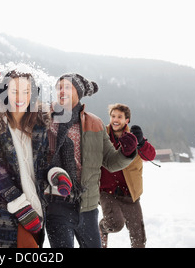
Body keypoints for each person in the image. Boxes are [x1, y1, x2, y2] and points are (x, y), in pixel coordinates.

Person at [0, 69, 68, 248]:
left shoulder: (40, 123)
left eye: (26, 91)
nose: (20, 97)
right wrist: (20, 206)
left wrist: (55, 174)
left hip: (34, 205)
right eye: (14, 91)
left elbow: (42, 163)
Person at [45, 73, 138, 248]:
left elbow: (111, 161)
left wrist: (127, 152)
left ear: (78, 93)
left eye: (67, 87)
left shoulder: (95, 123)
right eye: (59, 87)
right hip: (56, 203)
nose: (61, 91)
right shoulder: (45, 118)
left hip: (87, 206)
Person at [99, 103, 156, 248]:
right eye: (113, 116)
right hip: (107, 192)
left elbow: (151, 156)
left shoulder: (134, 137)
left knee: (139, 237)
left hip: (130, 193)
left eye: (119, 117)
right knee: (114, 224)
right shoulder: (101, 135)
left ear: (127, 120)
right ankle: (102, 228)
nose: (115, 120)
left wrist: (141, 142)